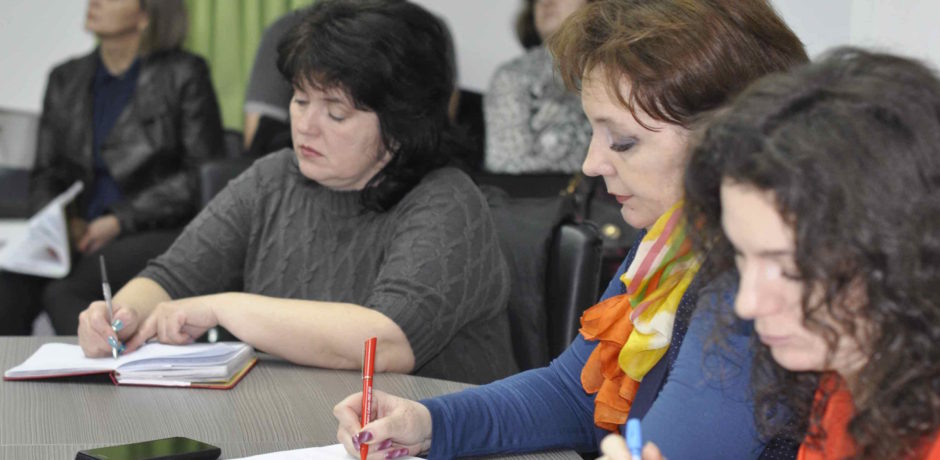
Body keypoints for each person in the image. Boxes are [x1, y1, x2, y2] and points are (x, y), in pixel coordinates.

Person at [333, 0, 807, 458]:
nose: (591, 163)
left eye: (623, 141)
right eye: (593, 133)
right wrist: (431, 423)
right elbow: (577, 393)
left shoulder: (758, 281)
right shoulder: (672, 239)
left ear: (726, 141)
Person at [76, 0, 517, 386]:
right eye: (300, 100)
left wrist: (225, 309)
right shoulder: (273, 177)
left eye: (336, 113)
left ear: (401, 124)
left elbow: (384, 343)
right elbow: (172, 278)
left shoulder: (445, 200)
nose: (305, 125)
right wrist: (123, 315)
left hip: (434, 435)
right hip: (296, 424)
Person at [679, 48, 940, 460]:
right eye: (741, 257)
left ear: (903, 255)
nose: (747, 304)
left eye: (790, 270)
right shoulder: (850, 375)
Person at [0, 0, 224, 335]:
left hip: (149, 230)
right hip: (77, 237)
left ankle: (105, 362)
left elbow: (201, 177)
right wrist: (61, 225)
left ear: (146, 15)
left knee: (64, 292)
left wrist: (119, 220)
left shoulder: (184, 73)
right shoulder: (65, 78)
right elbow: (47, 172)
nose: (96, 2)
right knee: (7, 287)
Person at [482, 0, 593, 174]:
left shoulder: (623, 72)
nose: (546, 2)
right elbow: (506, 165)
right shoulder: (514, 75)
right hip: (546, 190)